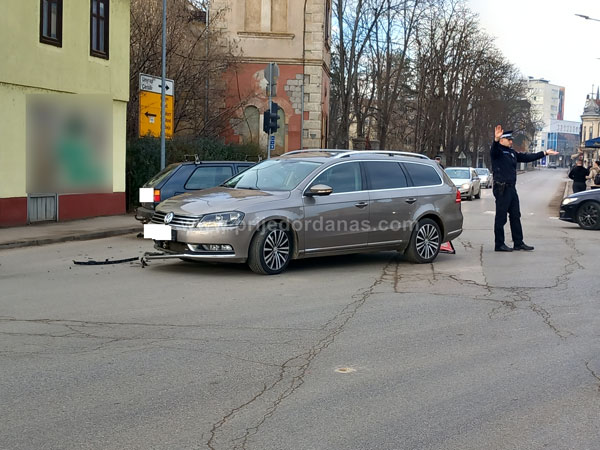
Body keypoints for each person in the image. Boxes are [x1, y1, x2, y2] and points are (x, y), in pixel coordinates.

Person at [491, 125, 558, 252]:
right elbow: (493, 150)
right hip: (501, 188)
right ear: (502, 140)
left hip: (511, 188)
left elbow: (527, 157)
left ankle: (518, 242)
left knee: (515, 215)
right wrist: (495, 139)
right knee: (501, 217)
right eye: (509, 140)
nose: (511, 142)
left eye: (511, 140)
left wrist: (544, 153)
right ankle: (499, 244)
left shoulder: (512, 152)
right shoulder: (497, 151)